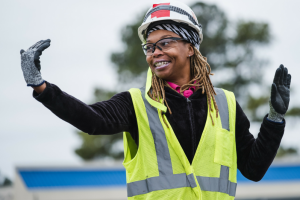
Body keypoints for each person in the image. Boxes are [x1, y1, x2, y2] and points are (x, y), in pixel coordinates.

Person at [20, 1, 291, 199]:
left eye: (165, 42)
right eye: (150, 47)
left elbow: (253, 169)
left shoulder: (226, 104)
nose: (155, 53)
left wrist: (275, 120)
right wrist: (43, 88)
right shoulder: (135, 103)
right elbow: (92, 120)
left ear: (190, 47)